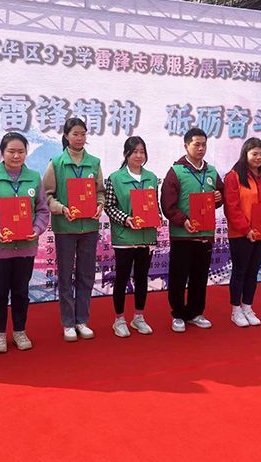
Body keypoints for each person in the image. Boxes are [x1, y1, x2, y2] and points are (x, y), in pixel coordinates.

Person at [0, 132, 50, 353]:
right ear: (2, 152)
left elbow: (42, 210)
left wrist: (37, 229)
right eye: (11, 151)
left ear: (26, 153)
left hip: (25, 247)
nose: (16, 156)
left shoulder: (33, 177)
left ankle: (19, 331)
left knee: (21, 292)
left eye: (21, 151)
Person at [43, 118, 105, 342]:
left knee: (86, 275)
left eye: (83, 134)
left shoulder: (94, 163)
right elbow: (46, 196)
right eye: (75, 134)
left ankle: (82, 320)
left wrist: (100, 205)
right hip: (65, 228)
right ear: (66, 136)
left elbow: (100, 191)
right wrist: (61, 209)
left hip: (89, 227)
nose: (80, 138)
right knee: (66, 276)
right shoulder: (56, 163)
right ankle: (68, 322)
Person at [161, 127, 224, 333]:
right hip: (183, 234)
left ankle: (196, 312)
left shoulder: (211, 171)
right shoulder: (176, 171)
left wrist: (219, 197)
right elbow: (167, 204)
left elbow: (219, 196)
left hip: (205, 234)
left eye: (204, 145)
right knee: (178, 276)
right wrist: (182, 221)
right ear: (186, 145)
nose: (201, 148)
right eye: (196, 144)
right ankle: (178, 314)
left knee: (200, 275)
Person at [223, 137, 261, 327]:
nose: (258, 157)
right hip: (241, 234)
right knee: (240, 271)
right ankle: (236, 310)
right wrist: (245, 229)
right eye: (254, 154)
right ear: (245, 154)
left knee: (253, 271)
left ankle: (247, 306)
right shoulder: (233, 176)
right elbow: (231, 207)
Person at [105, 136, 158, 337]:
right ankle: (119, 319)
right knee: (122, 278)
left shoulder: (151, 177)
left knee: (142, 278)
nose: (139, 155)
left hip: (146, 237)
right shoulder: (115, 178)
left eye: (142, 151)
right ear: (126, 154)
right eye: (134, 151)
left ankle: (139, 317)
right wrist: (126, 219)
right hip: (124, 238)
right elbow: (109, 207)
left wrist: (157, 216)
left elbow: (155, 205)